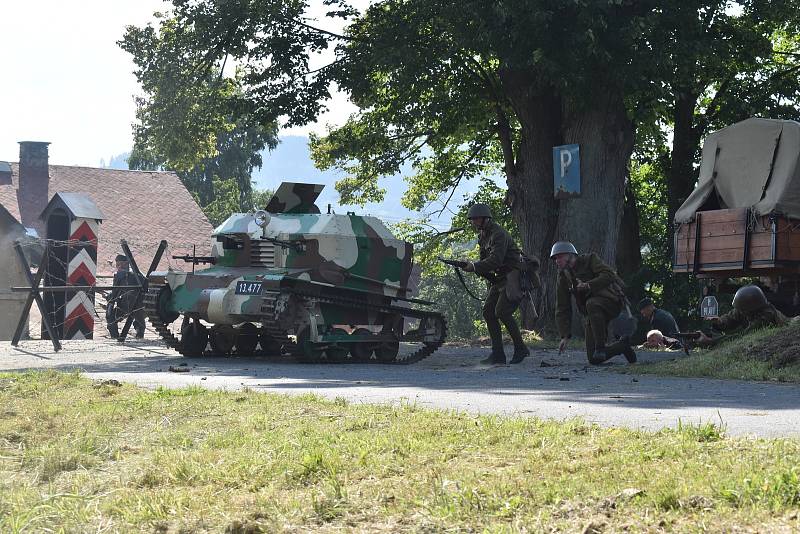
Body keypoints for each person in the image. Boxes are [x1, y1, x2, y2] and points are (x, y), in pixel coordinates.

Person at [461, 203, 530, 365]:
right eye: (472, 219)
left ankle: (521, 348)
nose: (474, 222)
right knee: (488, 312)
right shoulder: (483, 236)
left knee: (502, 312)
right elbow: (485, 260)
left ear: (485, 219)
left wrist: (475, 266)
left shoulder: (499, 234)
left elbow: (496, 259)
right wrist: (471, 266)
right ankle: (498, 354)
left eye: (476, 219)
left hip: (513, 276)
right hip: (500, 278)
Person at [551, 241, 637, 364]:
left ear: (570, 255)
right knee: (594, 359)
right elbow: (562, 306)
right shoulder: (563, 276)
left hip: (610, 303)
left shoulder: (590, 259)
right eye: (555, 258)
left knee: (592, 303)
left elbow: (609, 275)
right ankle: (622, 346)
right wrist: (564, 336)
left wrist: (588, 285)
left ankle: (600, 347)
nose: (556, 261)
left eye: (559, 257)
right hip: (591, 313)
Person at [697, 285, 788, 346]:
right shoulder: (746, 309)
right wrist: (719, 321)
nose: (739, 311)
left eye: (741, 309)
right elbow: (730, 318)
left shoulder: (767, 316)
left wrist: (711, 342)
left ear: (750, 308)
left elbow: (742, 336)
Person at [107, 254, 146, 340]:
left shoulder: (135, 275)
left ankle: (138, 334)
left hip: (135, 305)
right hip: (128, 305)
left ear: (127, 264)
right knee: (111, 317)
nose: (120, 266)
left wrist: (110, 296)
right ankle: (115, 337)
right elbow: (116, 291)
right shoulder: (121, 275)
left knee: (111, 316)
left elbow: (115, 293)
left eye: (122, 264)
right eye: (118, 265)